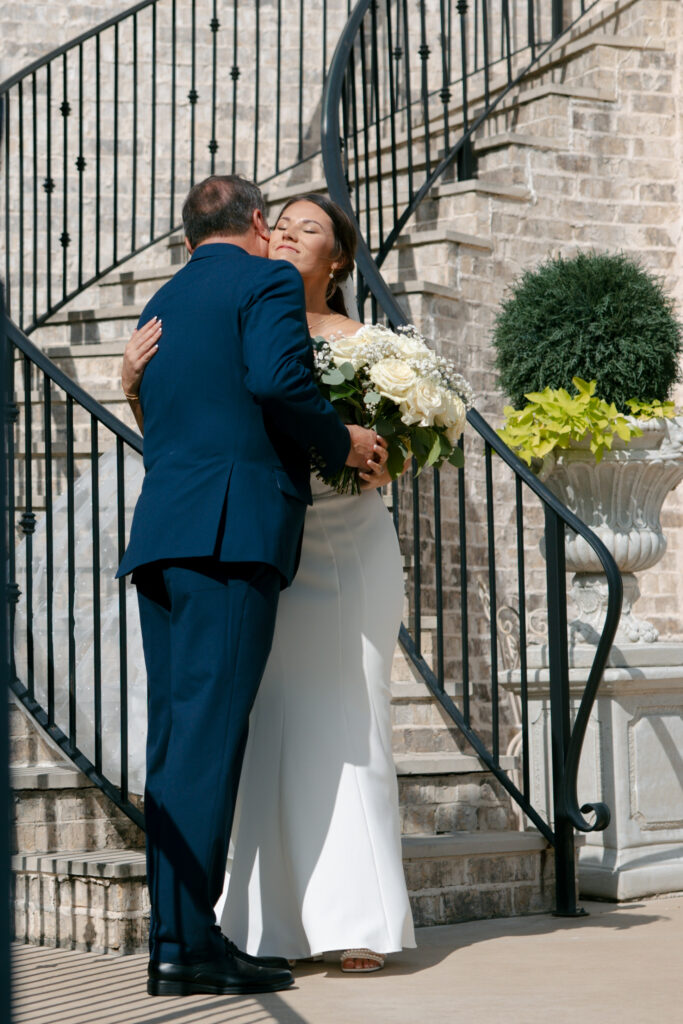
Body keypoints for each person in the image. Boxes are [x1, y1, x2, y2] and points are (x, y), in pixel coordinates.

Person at [123, 193, 416, 976]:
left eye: (303, 229)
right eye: (277, 224)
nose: (283, 236)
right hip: (232, 536)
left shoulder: (168, 296)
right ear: (256, 226)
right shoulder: (265, 286)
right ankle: (187, 946)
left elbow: (190, 407)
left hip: (165, 538)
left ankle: (178, 938)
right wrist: (344, 441)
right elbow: (278, 384)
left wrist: (131, 388)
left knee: (178, 742)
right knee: (211, 743)